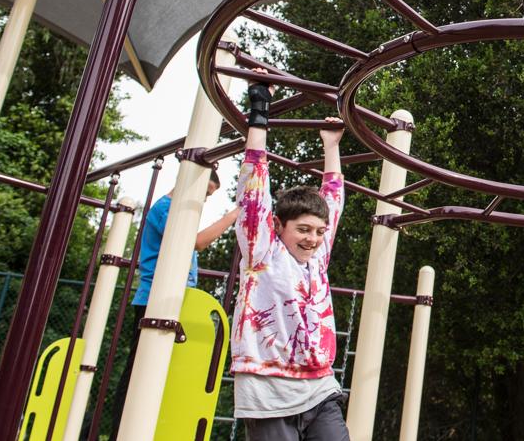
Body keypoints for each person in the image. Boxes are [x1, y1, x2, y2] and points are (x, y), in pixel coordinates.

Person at [231, 73, 348, 441]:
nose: (312, 239)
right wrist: (259, 111)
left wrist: (331, 147)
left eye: (317, 231)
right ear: (279, 225)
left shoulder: (317, 258)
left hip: (318, 384)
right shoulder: (262, 250)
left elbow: (333, 201)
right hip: (268, 387)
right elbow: (254, 183)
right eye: (303, 230)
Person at [103, 174, 238, 440]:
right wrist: (234, 214)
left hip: (175, 298)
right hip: (154, 299)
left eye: (209, 195)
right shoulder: (165, 209)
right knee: (138, 370)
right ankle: (122, 431)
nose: (204, 198)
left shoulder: (178, 213)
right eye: (205, 191)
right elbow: (196, 242)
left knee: (164, 371)